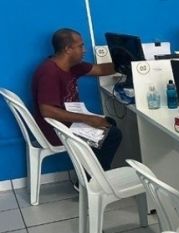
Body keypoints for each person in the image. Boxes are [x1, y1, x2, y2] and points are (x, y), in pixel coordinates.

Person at [32, 28, 122, 171]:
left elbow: (100, 70)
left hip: (68, 124)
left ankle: (91, 174)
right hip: (54, 130)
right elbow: (47, 111)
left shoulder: (72, 66)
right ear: (68, 49)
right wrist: (89, 119)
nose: (84, 50)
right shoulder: (49, 72)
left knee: (109, 124)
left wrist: (125, 62)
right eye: (80, 46)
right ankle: (93, 178)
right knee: (112, 134)